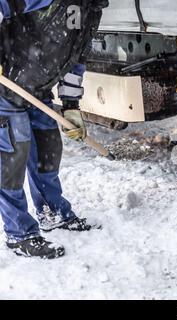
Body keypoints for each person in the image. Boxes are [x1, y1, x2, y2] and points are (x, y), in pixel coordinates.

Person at [0, 0, 109, 259]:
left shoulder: (92, 9)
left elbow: (76, 58)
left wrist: (71, 105)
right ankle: (19, 233)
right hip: (7, 88)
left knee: (48, 153)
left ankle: (53, 212)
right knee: (11, 162)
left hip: (37, 90)